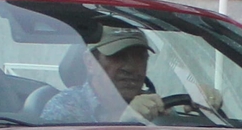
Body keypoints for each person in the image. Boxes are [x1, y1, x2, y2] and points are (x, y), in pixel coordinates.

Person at [41, 26, 171, 123]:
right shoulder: (67, 107)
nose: (131, 67)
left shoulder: (151, 105)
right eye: (118, 56)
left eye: (140, 57)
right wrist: (126, 123)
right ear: (90, 62)